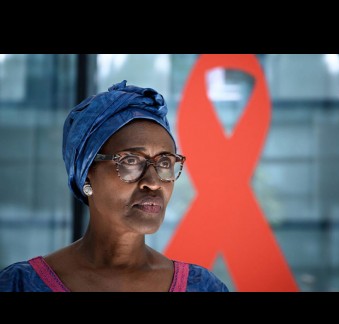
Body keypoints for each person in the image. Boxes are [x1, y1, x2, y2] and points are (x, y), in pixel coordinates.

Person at [0, 80, 229, 292]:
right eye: (131, 161)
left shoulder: (201, 286)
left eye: (165, 162)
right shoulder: (20, 284)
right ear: (87, 174)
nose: (153, 182)